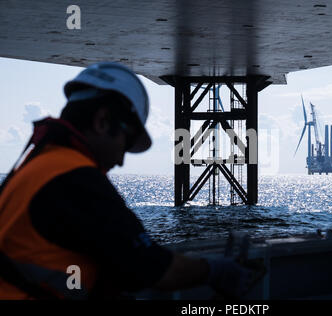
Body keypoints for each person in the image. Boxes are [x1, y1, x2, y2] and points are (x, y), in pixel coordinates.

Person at [0, 62, 256, 299]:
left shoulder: (34, 166)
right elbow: (154, 269)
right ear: (102, 122)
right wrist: (214, 270)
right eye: (125, 143)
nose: (121, 160)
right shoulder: (76, 180)